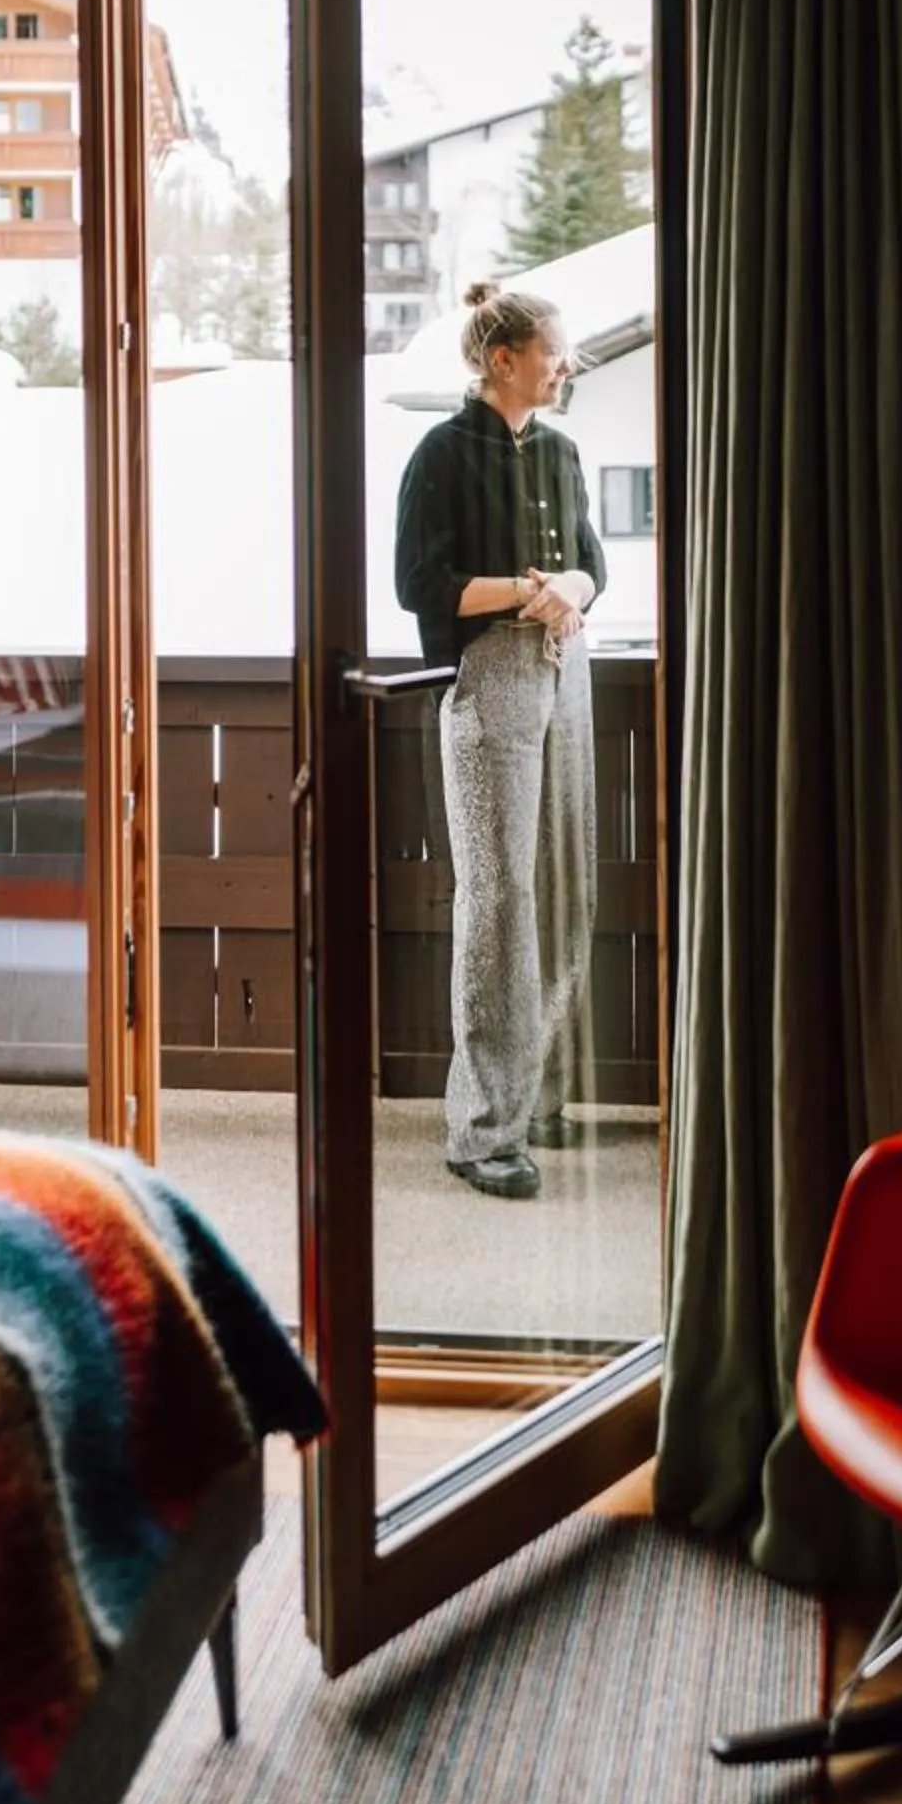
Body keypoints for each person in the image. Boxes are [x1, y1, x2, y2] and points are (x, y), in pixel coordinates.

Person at [393, 280, 607, 1200]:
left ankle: (537, 1095)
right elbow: (421, 584)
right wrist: (529, 592)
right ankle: (484, 1131)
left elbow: (593, 564)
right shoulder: (440, 453)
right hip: (493, 674)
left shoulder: (561, 451)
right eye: (554, 352)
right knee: (500, 896)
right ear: (502, 360)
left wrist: (574, 591)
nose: (567, 366)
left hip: (568, 665)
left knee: (565, 882)